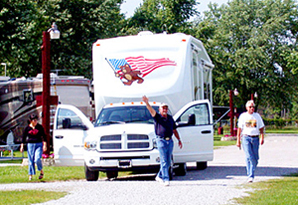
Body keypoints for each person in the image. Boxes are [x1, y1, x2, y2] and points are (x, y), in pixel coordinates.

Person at [142, 95, 182, 186]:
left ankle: (159, 176)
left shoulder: (170, 118)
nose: (164, 110)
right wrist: (146, 103)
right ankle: (165, 179)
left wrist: (179, 139)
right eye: (163, 108)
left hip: (170, 141)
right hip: (161, 141)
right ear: (159, 110)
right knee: (163, 160)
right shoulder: (157, 117)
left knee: (168, 162)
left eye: (166, 108)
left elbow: (174, 130)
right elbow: (151, 110)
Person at [236, 100, 264, 183]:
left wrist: (262, 137)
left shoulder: (257, 116)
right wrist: (238, 140)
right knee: (249, 156)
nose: (252, 108)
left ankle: (251, 169)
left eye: (253, 107)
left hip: (255, 138)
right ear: (246, 108)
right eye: (250, 107)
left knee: (255, 158)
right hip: (246, 138)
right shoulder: (243, 116)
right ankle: (250, 175)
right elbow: (239, 129)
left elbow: (261, 128)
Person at [20, 114, 47, 181]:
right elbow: (23, 137)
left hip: (38, 144)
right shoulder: (27, 128)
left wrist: (45, 145)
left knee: (37, 159)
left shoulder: (39, 127)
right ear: (30, 121)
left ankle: (41, 171)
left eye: (36, 120)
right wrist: (22, 146)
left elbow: (44, 136)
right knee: (31, 160)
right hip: (30, 145)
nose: (35, 121)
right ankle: (31, 175)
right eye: (34, 120)